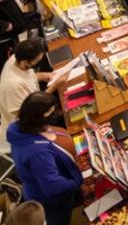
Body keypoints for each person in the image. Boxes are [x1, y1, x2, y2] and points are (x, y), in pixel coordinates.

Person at [6, 92, 82, 225]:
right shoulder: (37, 153)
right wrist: (77, 183)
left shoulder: (19, 129)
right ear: (39, 118)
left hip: (36, 189)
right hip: (52, 203)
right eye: (51, 113)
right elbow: (53, 186)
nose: (54, 116)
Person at [0, 39, 63, 144]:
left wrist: (45, 75)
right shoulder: (13, 85)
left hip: (34, 103)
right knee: (62, 117)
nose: (39, 62)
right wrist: (54, 86)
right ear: (25, 62)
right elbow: (31, 112)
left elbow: (29, 76)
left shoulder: (16, 59)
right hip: (27, 125)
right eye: (37, 61)